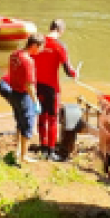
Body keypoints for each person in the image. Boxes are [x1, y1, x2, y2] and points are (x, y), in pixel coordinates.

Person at [33, 19, 77, 162]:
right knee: (53, 119)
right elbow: (68, 71)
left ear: (50, 28)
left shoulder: (38, 42)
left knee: (41, 116)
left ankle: (43, 147)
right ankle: (51, 152)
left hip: (37, 85)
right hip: (51, 88)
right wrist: (76, 74)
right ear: (61, 30)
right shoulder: (60, 46)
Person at [8, 34, 45, 164]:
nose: (40, 51)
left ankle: (17, 150)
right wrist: (36, 102)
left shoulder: (14, 55)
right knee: (27, 125)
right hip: (24, 96)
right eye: (40, 48)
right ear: (34, 46)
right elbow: (29, 85)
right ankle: (23, 156)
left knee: (19, 122)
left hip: (13, 93)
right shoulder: (28, 61)